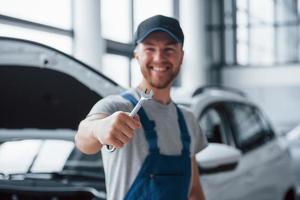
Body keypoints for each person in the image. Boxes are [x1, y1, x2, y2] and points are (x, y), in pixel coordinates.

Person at [75, 15, 208, 200]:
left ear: (182, 56)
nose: (159, 58)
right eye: (150, 49)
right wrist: (99, 128)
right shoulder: (117, 106)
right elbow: (83, 139)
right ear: (137, 54)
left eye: (169, 49)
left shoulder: (189, 120)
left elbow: (193, 191)